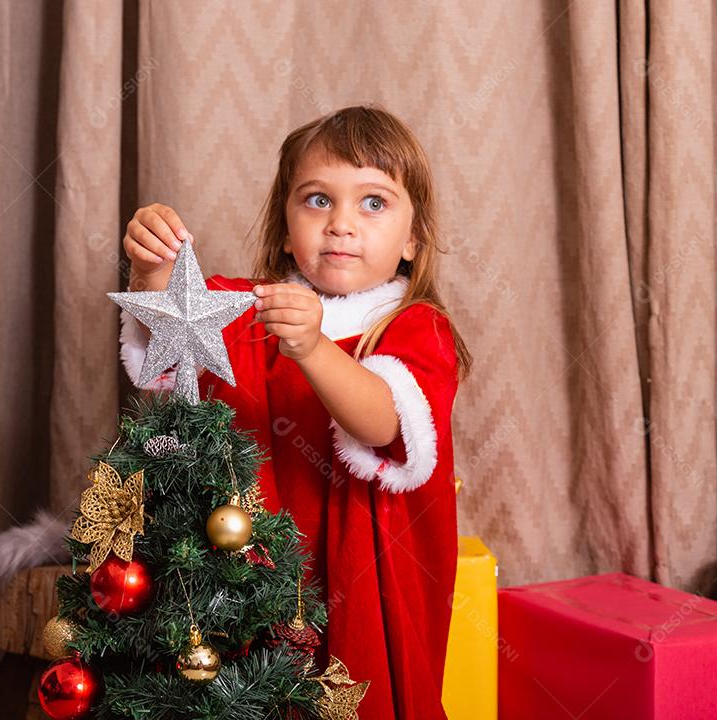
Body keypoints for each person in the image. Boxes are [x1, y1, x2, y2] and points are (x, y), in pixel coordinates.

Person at [119, 105, 472, 719]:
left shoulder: (417, 330)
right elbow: (167, 342)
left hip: (363, 584)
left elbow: (384, 424)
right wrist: (152, 268)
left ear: (413, 239)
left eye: (373, 203)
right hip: (249, 586)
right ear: (286, 228)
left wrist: (310, 347)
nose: (341, 225)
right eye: (316, 201)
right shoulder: (248, 312)